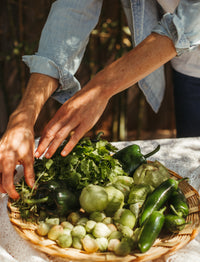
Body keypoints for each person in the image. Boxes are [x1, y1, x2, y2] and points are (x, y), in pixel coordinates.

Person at [0, 0, 200, 199]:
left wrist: (99, 89)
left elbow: (194, 17)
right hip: (188, 63)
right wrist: (24, 115)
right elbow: (73, 10)